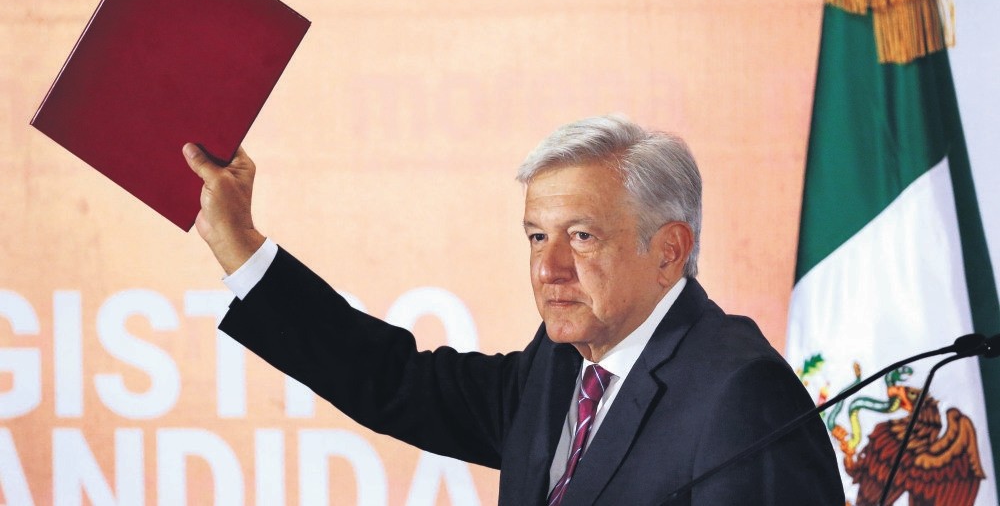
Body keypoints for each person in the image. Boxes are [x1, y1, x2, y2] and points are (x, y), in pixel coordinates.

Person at [183, 115, 844, 505]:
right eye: (536, 236)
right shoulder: (561, 365)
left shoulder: (739, 394)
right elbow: (396, 382)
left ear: (669, 249)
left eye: (581, 236)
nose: (547, 267)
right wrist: (240, 245)